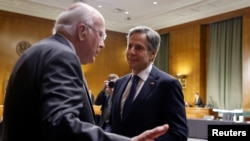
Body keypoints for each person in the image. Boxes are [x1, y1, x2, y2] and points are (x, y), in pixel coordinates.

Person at [0, 3, 169, 141]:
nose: (102, 44)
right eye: (101, 35)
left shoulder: (39, 50)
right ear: (82, 31)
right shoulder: (62, 55)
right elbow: (61, 125)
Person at [110, 26, 188, 141]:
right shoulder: (119, 83)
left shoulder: (167, 84)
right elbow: (112, 124)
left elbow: (179, 133)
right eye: (129, 46)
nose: (131, 52)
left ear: (152, 53)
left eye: (138, 48)